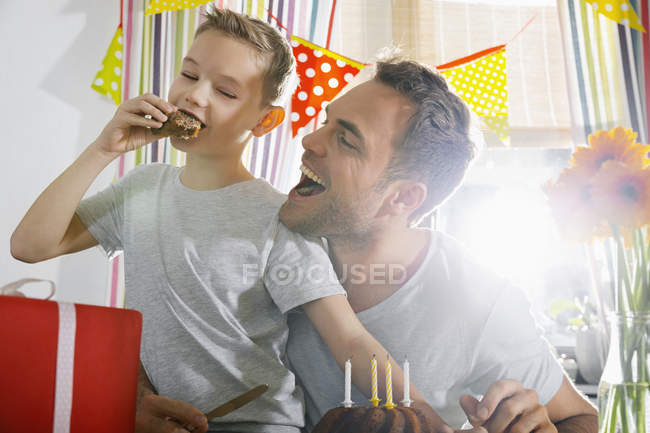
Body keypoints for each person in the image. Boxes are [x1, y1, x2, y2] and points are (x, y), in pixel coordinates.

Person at [10, 10, 441, 433]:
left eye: (226, 92)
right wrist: (103, 150)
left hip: (259, 423)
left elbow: (350, 341)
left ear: (264, 120)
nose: (194, 96)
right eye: (190, 75)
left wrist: (425, 416)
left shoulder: (279, 218)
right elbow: (29, 247)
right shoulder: (139, 190)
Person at [279, 58, 598, 433]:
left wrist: (539, 427)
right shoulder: (270, 239)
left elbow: (581, 417)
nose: (309, 140)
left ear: (404, 198)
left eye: (345, 139)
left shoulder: (478, 300)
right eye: (325, 122)